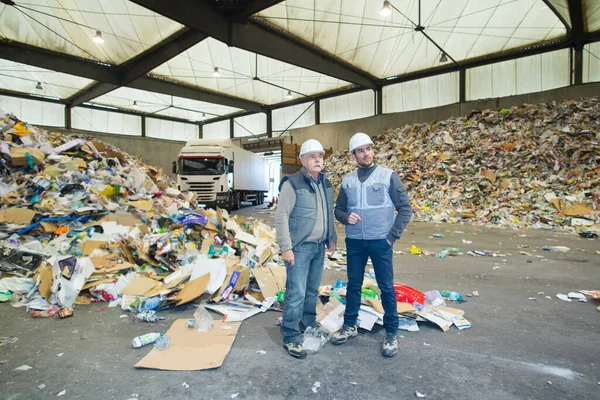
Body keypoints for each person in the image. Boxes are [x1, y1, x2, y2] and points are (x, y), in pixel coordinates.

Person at [332, 132, 412, 358]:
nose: (365, 154)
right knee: (354, 285)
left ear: (373, 150)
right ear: (353, 155)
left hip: (381, 241)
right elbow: (338, 210)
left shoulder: (388, 176)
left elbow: (405, 208)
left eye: (368, 149)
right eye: (360, 150)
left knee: (386, 287)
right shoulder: (347, 180)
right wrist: (346, 217)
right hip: (355, 242)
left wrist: (391, 237)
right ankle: (350, 325)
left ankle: (392, 332)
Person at [275, 139, 337, 359]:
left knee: (312, 290)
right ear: (302, 160)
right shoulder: (292, 183)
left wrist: (332, 236)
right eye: (312, 156)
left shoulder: (326, 184)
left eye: (319, 155)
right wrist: (286, 248)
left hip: (319, 247)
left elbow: (328, 213)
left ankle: (307, 322)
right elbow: (281, 217)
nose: (318, 159)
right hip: (299, 248)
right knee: (296, 293)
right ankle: (291, 335)